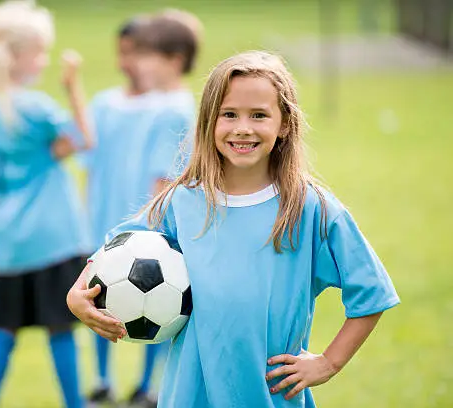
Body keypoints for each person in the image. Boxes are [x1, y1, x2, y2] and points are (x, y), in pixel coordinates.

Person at [68, 51, 400, 408]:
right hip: (189, 397)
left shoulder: (308, 208)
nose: (243, 128)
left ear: (285, 123)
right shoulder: (181, 202)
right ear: (209, 121)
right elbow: (115, 250)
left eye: (259, 115)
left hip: (272, 396)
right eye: (229, 114)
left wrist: (328, 362)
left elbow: (371, 292)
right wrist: (77, 295)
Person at [0, 2, 93, 407]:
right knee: (61, 326)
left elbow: (46, 153)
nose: (44, 59)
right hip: (53, 235)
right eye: (39, 51)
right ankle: (75, 402)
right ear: (16, 55)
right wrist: (72, 86)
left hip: (10, 241)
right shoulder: (33, 106)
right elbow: (82, 140)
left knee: (3, 326)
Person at [86, 11, 200, 407]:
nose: (138, 63)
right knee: (109, 293)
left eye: (146, 55)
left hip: (148, 226)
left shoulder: (175, 109)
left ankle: (149, 387)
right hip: (119, 217)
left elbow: (164, 177)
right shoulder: (145, 104)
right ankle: (106, 381)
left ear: (173, 60)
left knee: (155, 298)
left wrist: (149, 227)